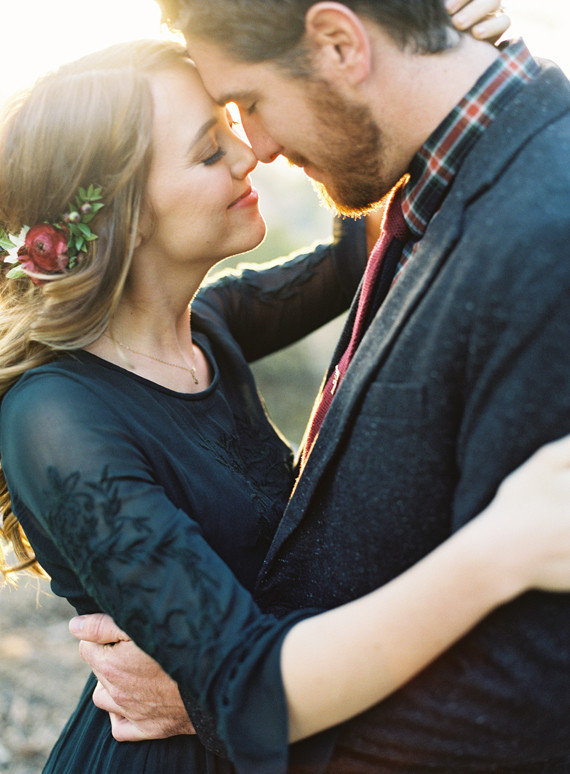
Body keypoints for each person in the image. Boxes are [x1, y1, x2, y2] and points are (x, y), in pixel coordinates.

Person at [73, 0, 570, 772]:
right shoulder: (447, 177)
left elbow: (536, 694)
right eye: (217, 132)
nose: (256, 148)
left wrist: (230, 703)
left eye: (252, 104)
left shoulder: (547, 236)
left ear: (340, 43)